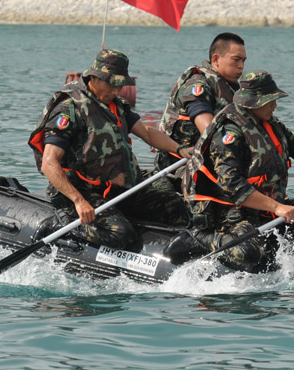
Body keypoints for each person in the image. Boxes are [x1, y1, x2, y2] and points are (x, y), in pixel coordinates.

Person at [177, 70, 294, 272]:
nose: (274, 105)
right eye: (269, 101)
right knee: (247, 253)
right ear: (253, 102)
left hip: (265, 209)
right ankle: (200, 239)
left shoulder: (271, 123)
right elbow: (232, 185)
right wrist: (277, 207)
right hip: (229, 213)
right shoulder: (229, 132)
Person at [28, 49, 193, 249]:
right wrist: (78, 201)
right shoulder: (69, 108)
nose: (116, 92)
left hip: (117, 189)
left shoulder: (116, 105)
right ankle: (60, 224)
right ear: (94, 77)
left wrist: (181, 149)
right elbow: (49, 163)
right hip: (81, 191)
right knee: (120, 235)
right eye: (111, 85)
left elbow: (148, 133)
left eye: (120, 86)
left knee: (175, 207)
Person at [155, 32, 247, 177]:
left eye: (243, 61)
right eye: (236, 60)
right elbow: (209, 131)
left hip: (215, 160)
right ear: (216, 59)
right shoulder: (198, 84)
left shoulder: (233, 89)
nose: (241, 66)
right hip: (182, 164)